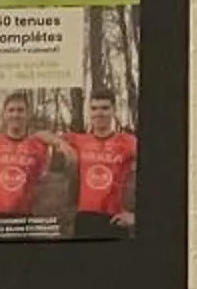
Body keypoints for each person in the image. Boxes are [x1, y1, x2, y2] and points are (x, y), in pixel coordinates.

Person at [58, 95, 139, 239]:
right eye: (94, 108)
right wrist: (62, 145)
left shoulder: (127, 141)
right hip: (84, 219)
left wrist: (135, 216)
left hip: (114, 220)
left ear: (114, 110)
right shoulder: (80, 140)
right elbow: (41, 136)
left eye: (105, 108)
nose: (99, 113)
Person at [0, 92, 55, 226]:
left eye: (20, 110)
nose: (15, 114)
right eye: (11, 110)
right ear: (4, 114)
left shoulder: (39, 147)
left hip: (24, 217)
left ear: (28, 114)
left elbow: (42, 182)